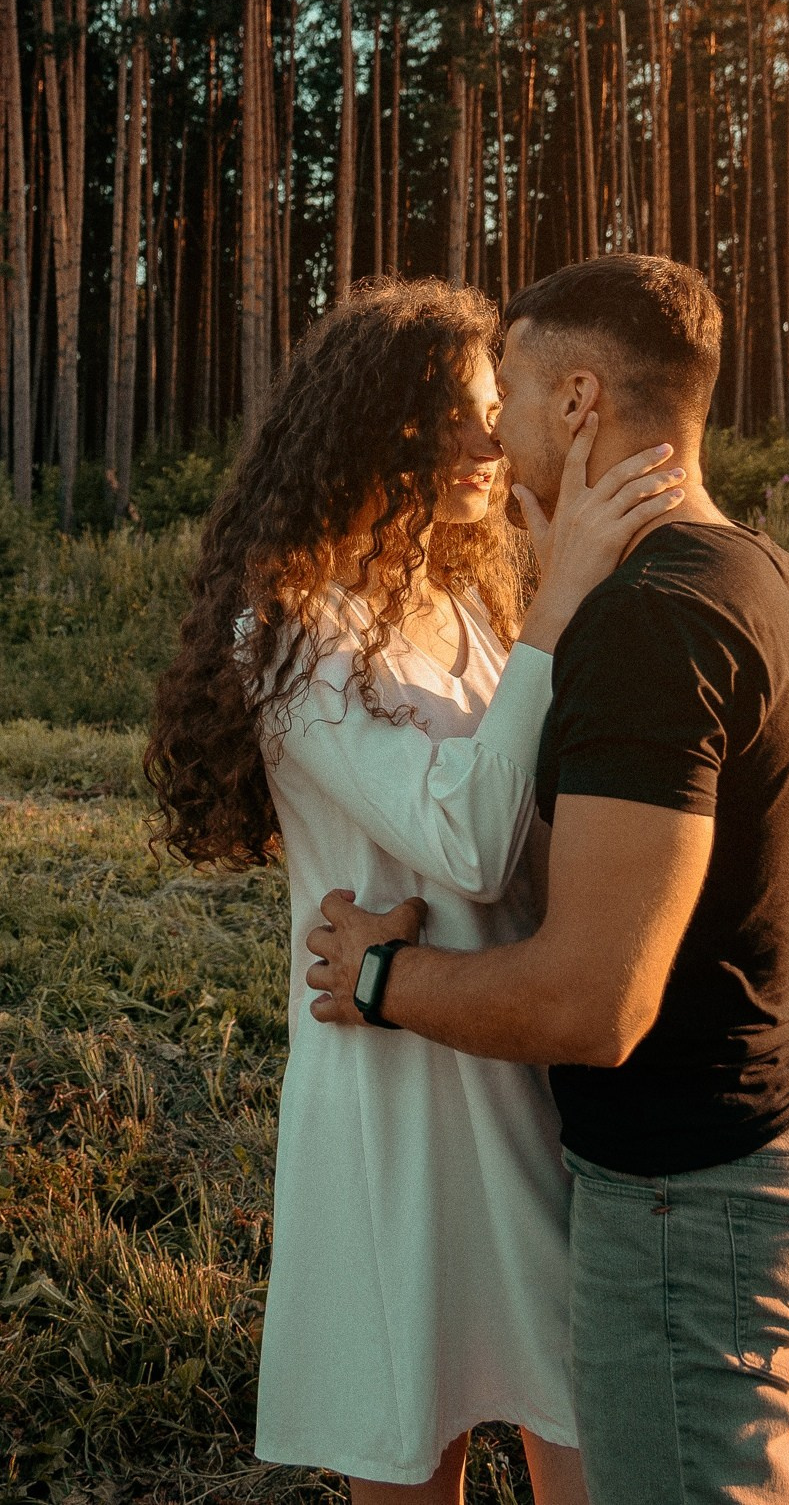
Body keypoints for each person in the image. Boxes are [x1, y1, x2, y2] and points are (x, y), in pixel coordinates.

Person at [306, 255, 789, 1505]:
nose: (489, 430)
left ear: (574, 402)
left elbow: (590, 1004)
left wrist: (382, 973)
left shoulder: (646, 624)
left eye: (503, 388)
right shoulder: (759, 574)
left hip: (696, 1202)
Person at [145, 276, 685, 1504]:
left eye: (495, 408)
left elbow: (536, 820)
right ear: (377, 427)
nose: (491, 439)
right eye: (460, 412)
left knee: (576, 1418)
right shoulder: (284, 630)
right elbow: (469, 838)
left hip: (507, 1048)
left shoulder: (461, 607)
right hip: (395, 1092)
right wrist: (559, 598)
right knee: (414, 1439)